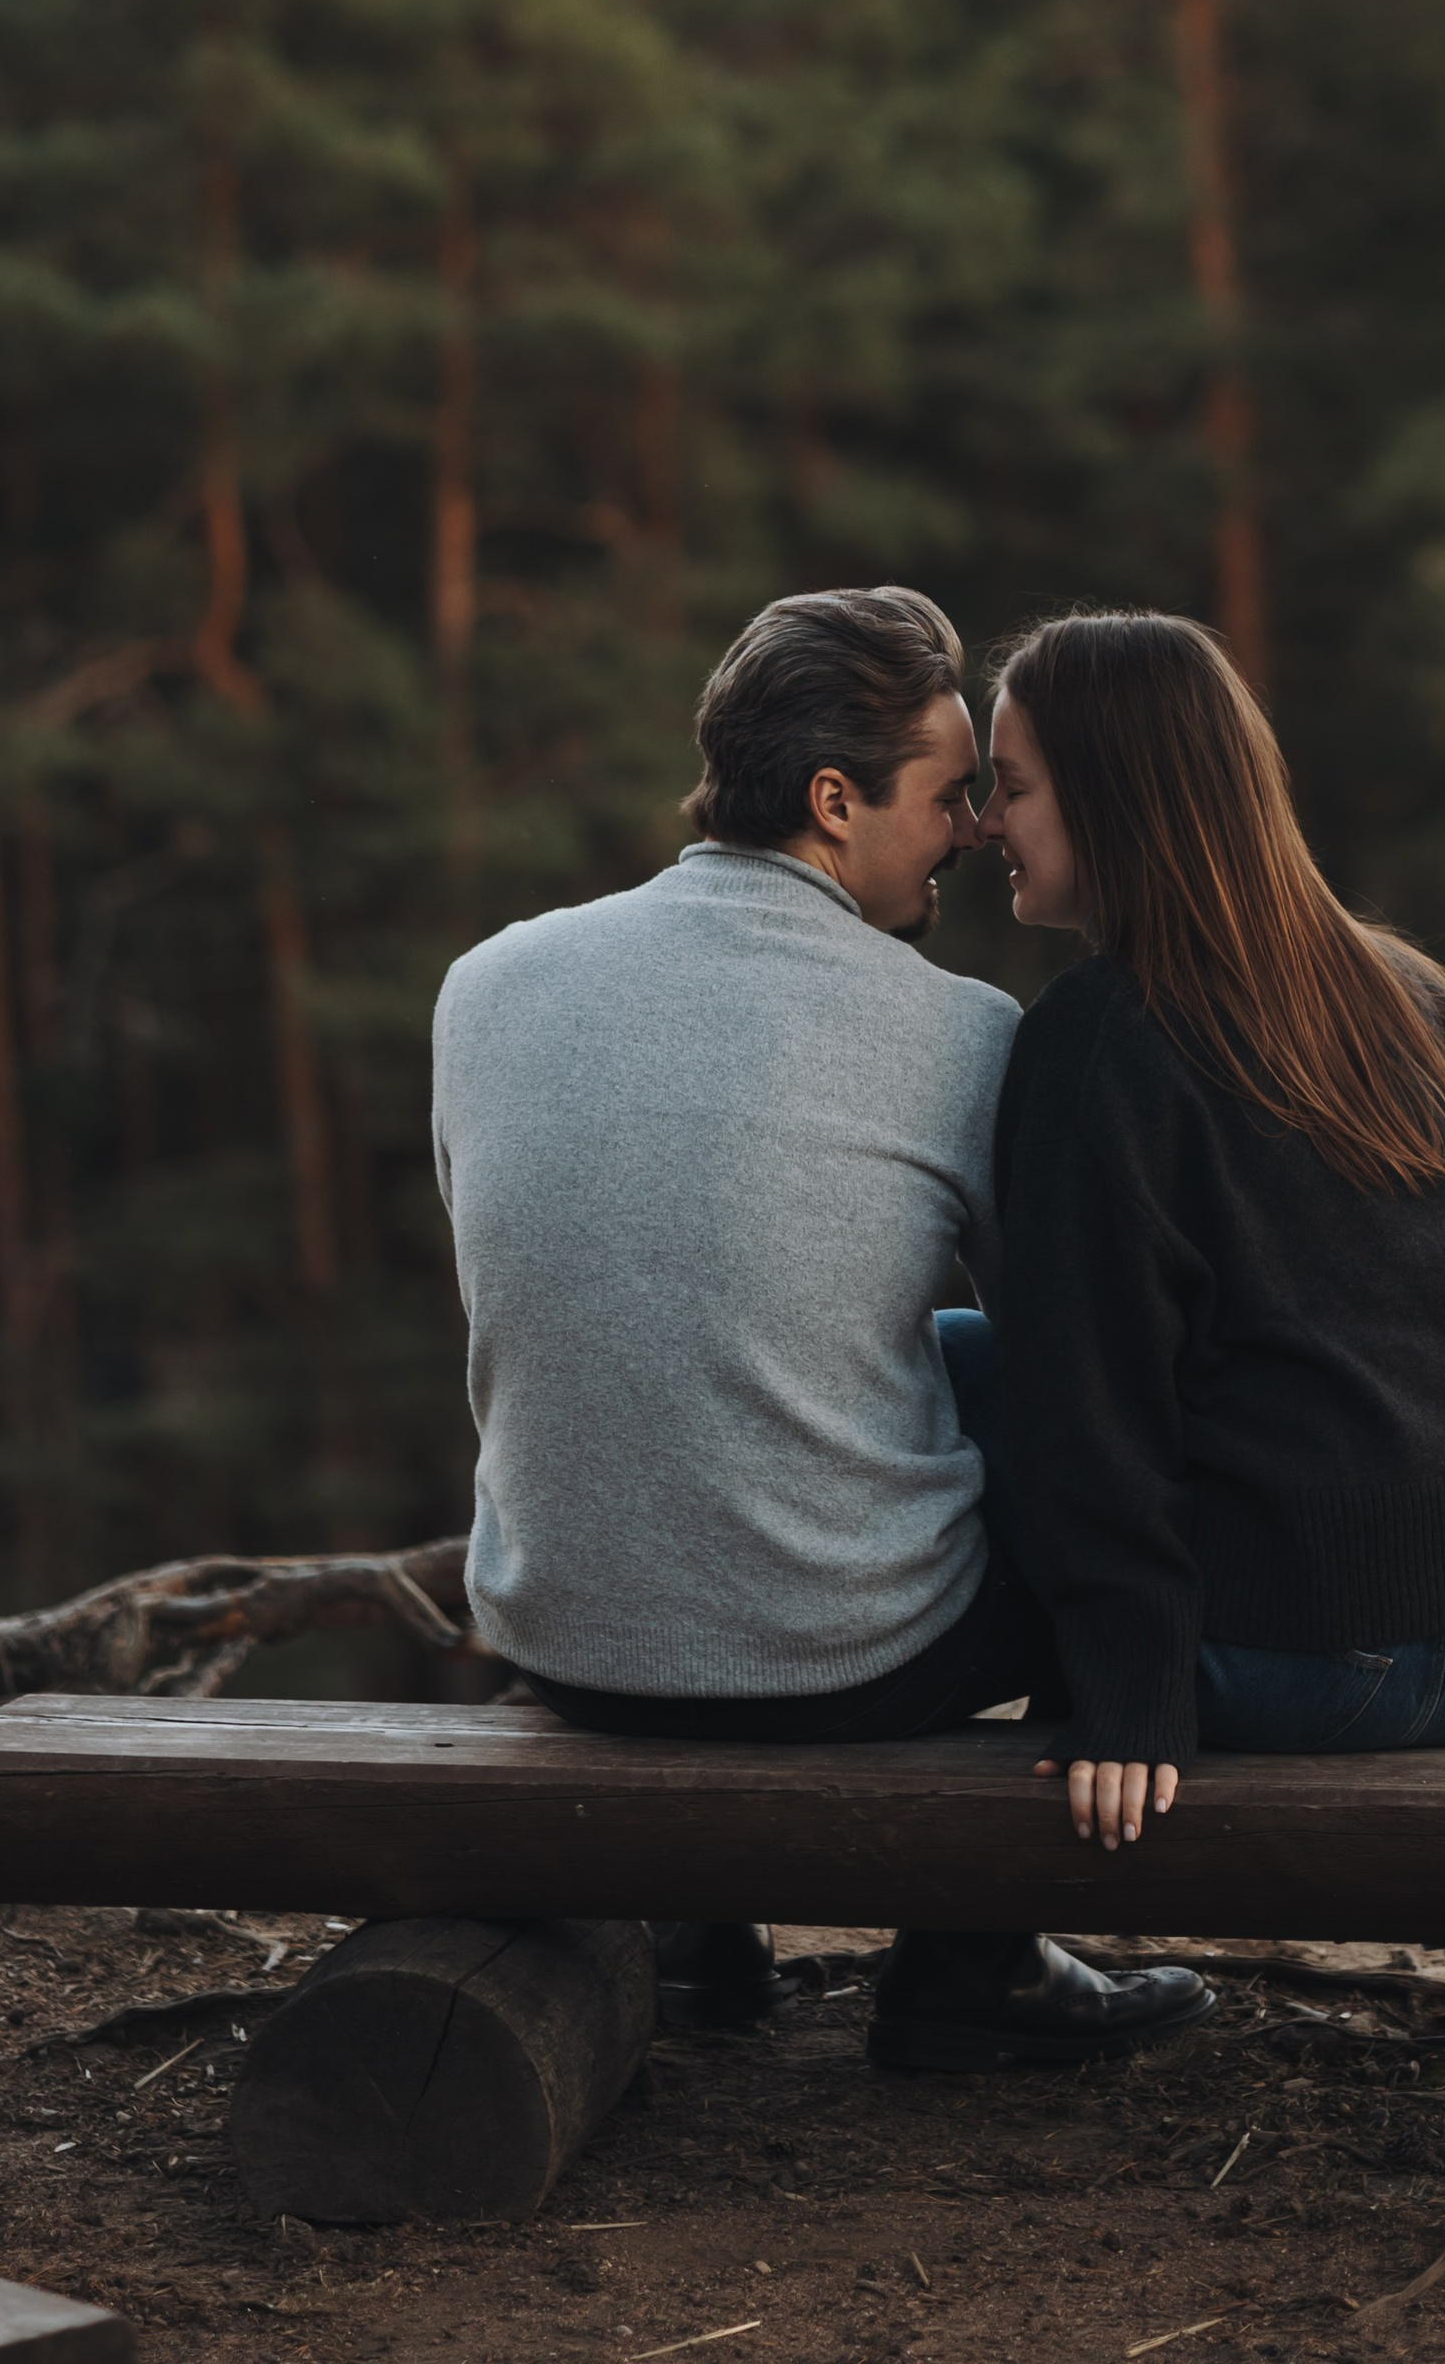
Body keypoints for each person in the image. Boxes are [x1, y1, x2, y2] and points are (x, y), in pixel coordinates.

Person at [431, 581, 1213, 2073]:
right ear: (834, 800)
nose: (979, 831)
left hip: (565, 1641)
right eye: (949, 795)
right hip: (841, 1664)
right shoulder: (964, 1033)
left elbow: (578, 1307)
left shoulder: (488, 984)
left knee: (729, 1367)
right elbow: (1077, 1373)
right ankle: (973, 1971)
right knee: (1059, 1432)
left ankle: (697, 1936)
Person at [976, 608, 1445, 2067]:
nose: (983, 825)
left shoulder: (1096, 1044)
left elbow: (1088, 1407)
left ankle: (971, 1956)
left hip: (1325, 1667)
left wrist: (1128, 1699)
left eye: (1010, 786)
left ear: (1115, 793)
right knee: (1329, 1426)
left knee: (964, 1361)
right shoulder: (1413, 992)